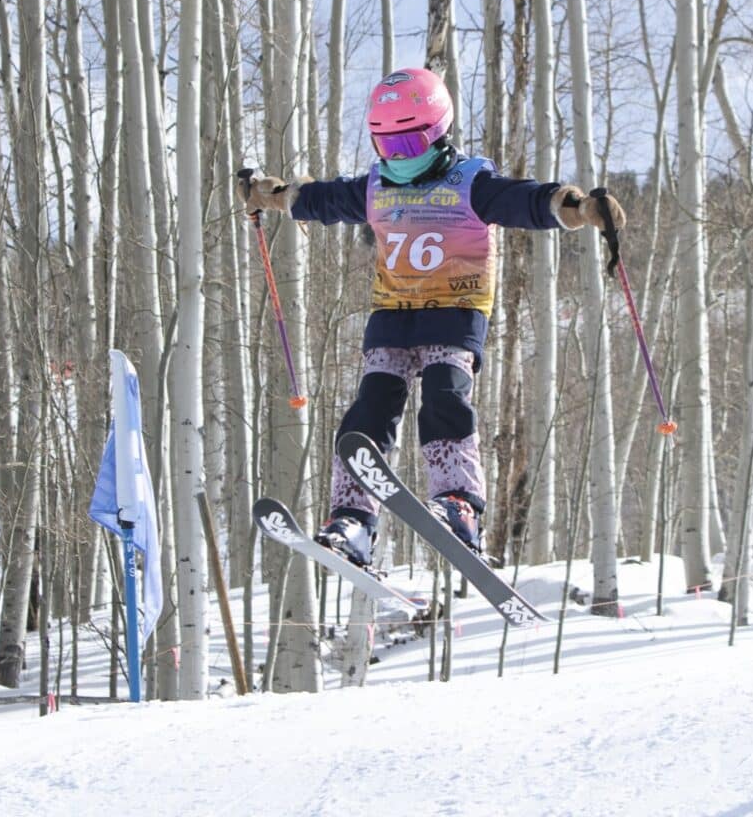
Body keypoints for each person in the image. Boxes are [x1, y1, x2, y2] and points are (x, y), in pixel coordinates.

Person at [240, 67, 626, 568]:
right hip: (393, 315)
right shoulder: (377, 186)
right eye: (388, 145)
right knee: (369, 410)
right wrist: (270, 196)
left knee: (445, 395)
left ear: (440, 131)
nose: (399, 157)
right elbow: (322, 198)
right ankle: (353, 519)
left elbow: (526, 200)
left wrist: (579, 207)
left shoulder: (470, 183)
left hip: (454, 314)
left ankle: (459, 502)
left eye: (411, 143)